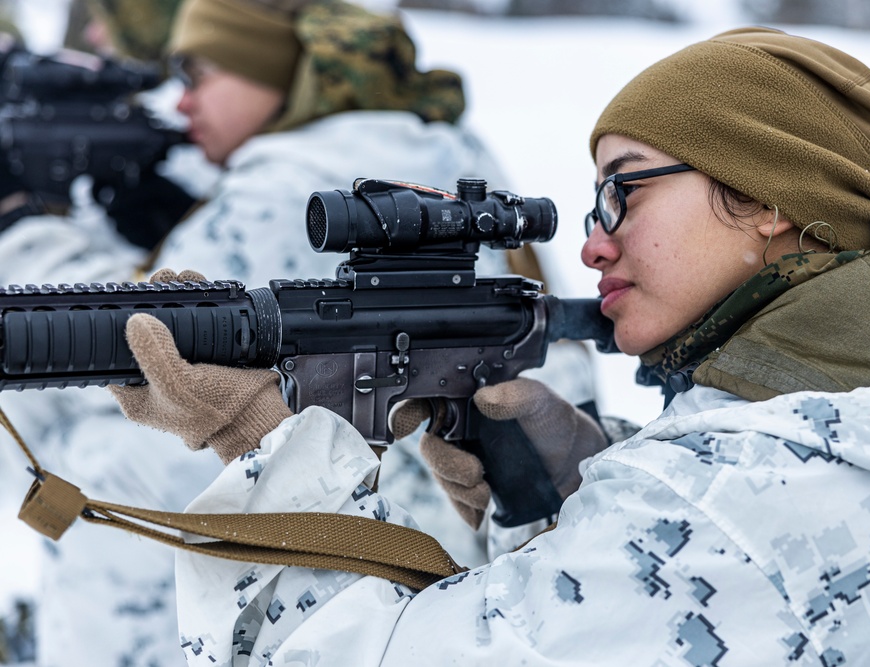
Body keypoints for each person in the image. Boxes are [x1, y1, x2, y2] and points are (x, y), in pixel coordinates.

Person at [110, 25, 870, 665]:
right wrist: (573, 496)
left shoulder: (723, 501)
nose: (592, 242)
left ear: (769, 196)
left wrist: (269, 446)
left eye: (626, 191)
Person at [0, 1, 596, 665]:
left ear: (273, 71)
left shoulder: (288, 176)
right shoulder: (413, 140)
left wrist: (18, 225)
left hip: (386, 564)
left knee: (116, 446)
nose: (183, 99)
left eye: (202, 73)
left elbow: (153, 338)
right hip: (450, 538)